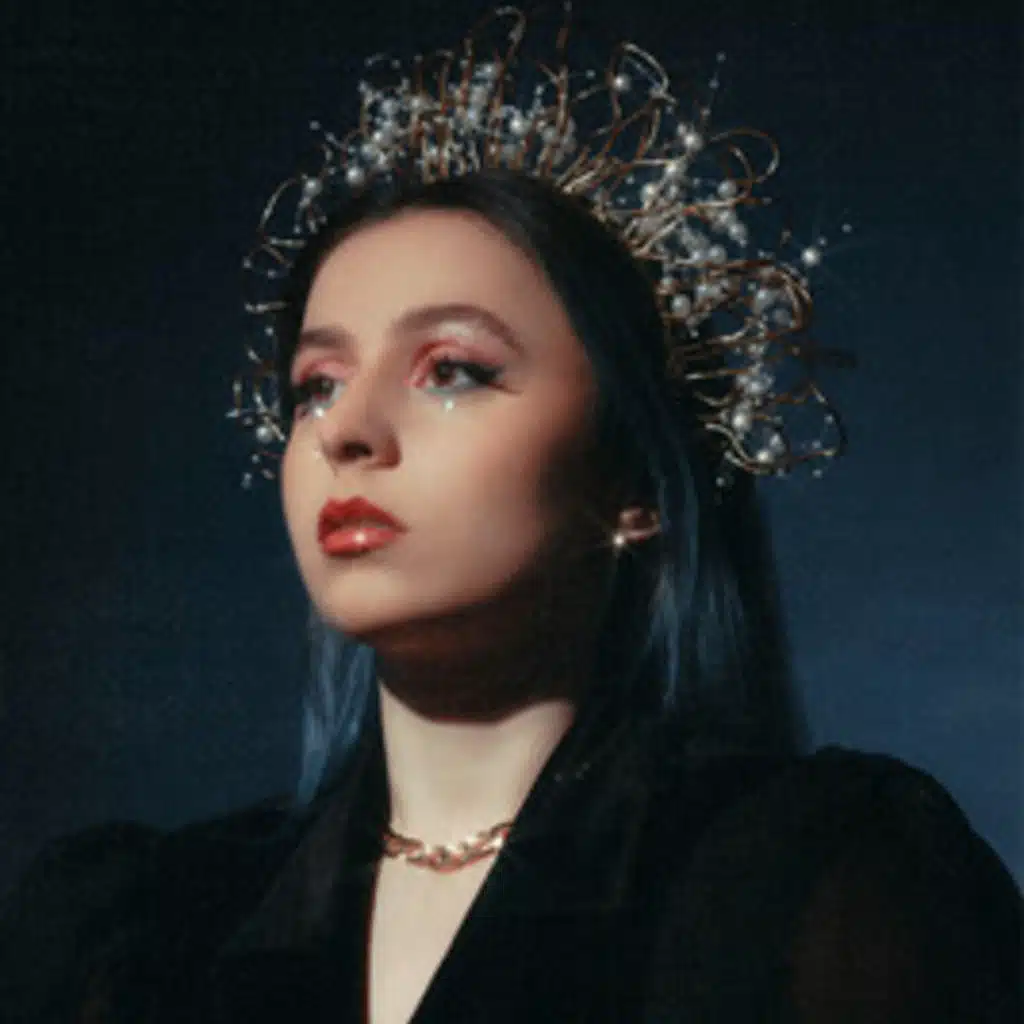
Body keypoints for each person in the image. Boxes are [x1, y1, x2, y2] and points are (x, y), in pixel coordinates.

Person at [1, 7, 1020, 1022]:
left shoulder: (816, 880)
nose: (346, 430)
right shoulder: (140, 928)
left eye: (451, 369)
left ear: (632, 486)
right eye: (317, 384)